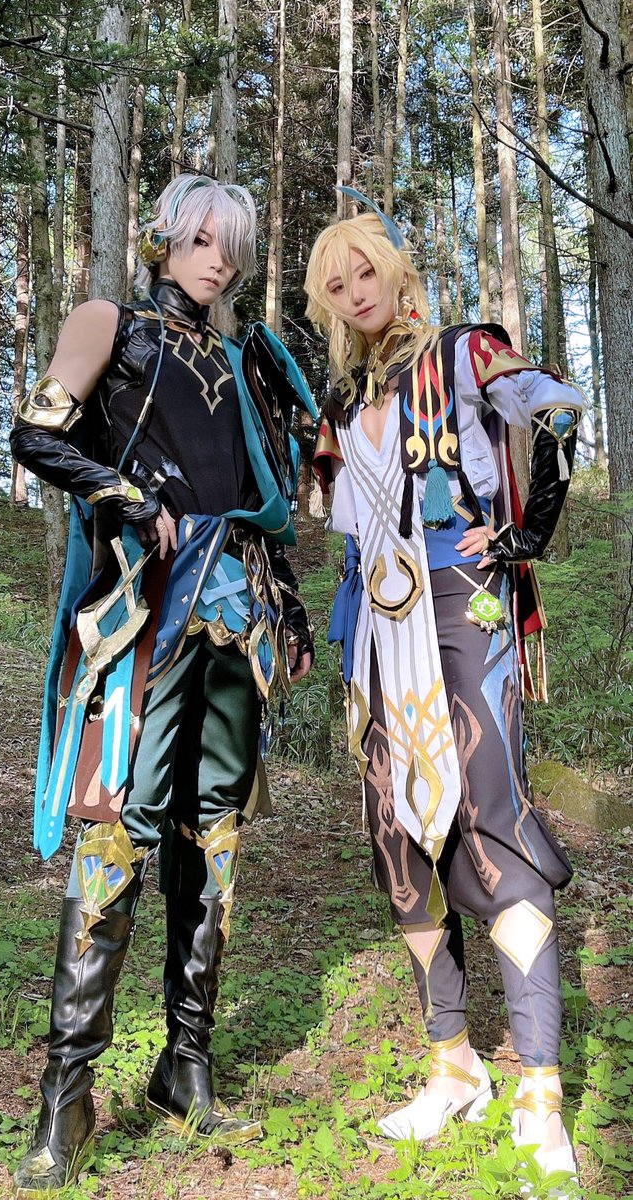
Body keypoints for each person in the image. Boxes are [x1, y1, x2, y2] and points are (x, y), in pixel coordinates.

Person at [10, 172, 317, 1197]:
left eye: (232, 244)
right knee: (116, 829)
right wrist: (132, 497)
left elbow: (260, 502)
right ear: (164, 239)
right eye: (200, 238)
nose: (216, 259)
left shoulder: (238, 359)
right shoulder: (112, 324)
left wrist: (292, 610)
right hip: (141, 613)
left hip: (238, 621)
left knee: (213, 833)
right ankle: (66, 1098)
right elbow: (35, 434)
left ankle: (185, 1067)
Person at [305, 193, 582, 1198]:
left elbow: (557, 407)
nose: (354, 292)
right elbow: (338, 520)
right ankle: (454, 1063)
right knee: (397, 834)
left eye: (363, 271)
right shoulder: (343, 401)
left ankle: (540, 1092)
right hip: (376, 628)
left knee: (492, 820)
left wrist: (524, 533)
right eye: (335, 285)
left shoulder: (466, 352)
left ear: (393, 269)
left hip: (467, 610)